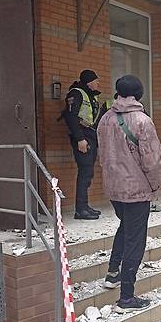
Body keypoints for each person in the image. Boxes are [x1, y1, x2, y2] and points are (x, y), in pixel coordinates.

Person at [97, 75, 161, 312]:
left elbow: (102, 154)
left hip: (114, 189)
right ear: (139, 94)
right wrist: (155, 186)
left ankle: (113, 273)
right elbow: (152, 161)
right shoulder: (143, 121)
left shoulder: (105, 119)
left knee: (125, 227)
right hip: (136, 190)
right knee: (135, 239)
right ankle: (126, 298)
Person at [60, 69, 104, 220]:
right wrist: (80, 139)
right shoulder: (76, 93)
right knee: (85, 172)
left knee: (88, 172)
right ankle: (80, 209)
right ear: (90, 82)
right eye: (96, 80)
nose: (98, 83)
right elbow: (71, 117)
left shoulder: (91, 96)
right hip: (82, 137)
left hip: (90, 137)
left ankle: (84, 206)